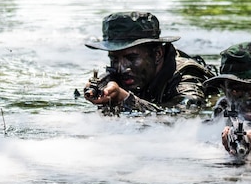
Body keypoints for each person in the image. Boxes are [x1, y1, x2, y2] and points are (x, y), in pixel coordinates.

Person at [83, 11, 218, 114]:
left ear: (157, 54)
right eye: (114, 59)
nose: (122, 68)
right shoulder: (117, 75)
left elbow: (184, 116)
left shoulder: (186, 78)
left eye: (131, 58)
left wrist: (124, 99)